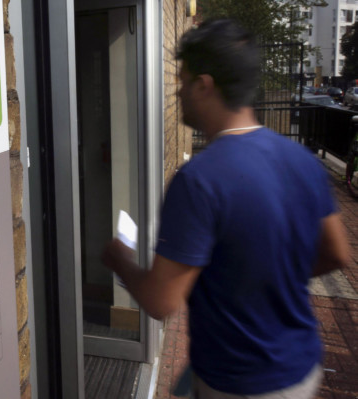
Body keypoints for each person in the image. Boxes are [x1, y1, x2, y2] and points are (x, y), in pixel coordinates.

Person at [102, 19, 350, 398]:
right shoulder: (300, 159)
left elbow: (160, 301)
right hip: (301, 367)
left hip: (239, 381)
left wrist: (120, 260)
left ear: (204, 86)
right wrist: (270, 276)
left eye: (182, 82)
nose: (178, 93)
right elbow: (337, 252)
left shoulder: (198, 179)